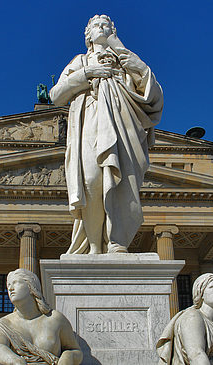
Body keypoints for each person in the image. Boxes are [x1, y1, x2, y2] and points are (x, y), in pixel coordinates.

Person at [50, 15, 163, 254]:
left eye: (106, 26)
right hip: (90, 121)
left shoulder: (126, 60)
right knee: (91, 180)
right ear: (87, 35)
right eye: (95, 26)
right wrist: (88, 73)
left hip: (124, 126)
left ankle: (116, 241)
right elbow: (56, 95)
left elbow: (152, 95)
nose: (101, 28)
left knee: (121, 183)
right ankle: (93, 246)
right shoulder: (80, 61)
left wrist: (119, 49)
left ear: (113, 31)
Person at [0, 269, 82, 365]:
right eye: (8, 285)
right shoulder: (0, 325)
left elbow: (75, 350)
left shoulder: (55, 319)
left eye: (15, 282)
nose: (10, 289)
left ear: (31, 286)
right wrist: (14, 360)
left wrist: (68, 357)